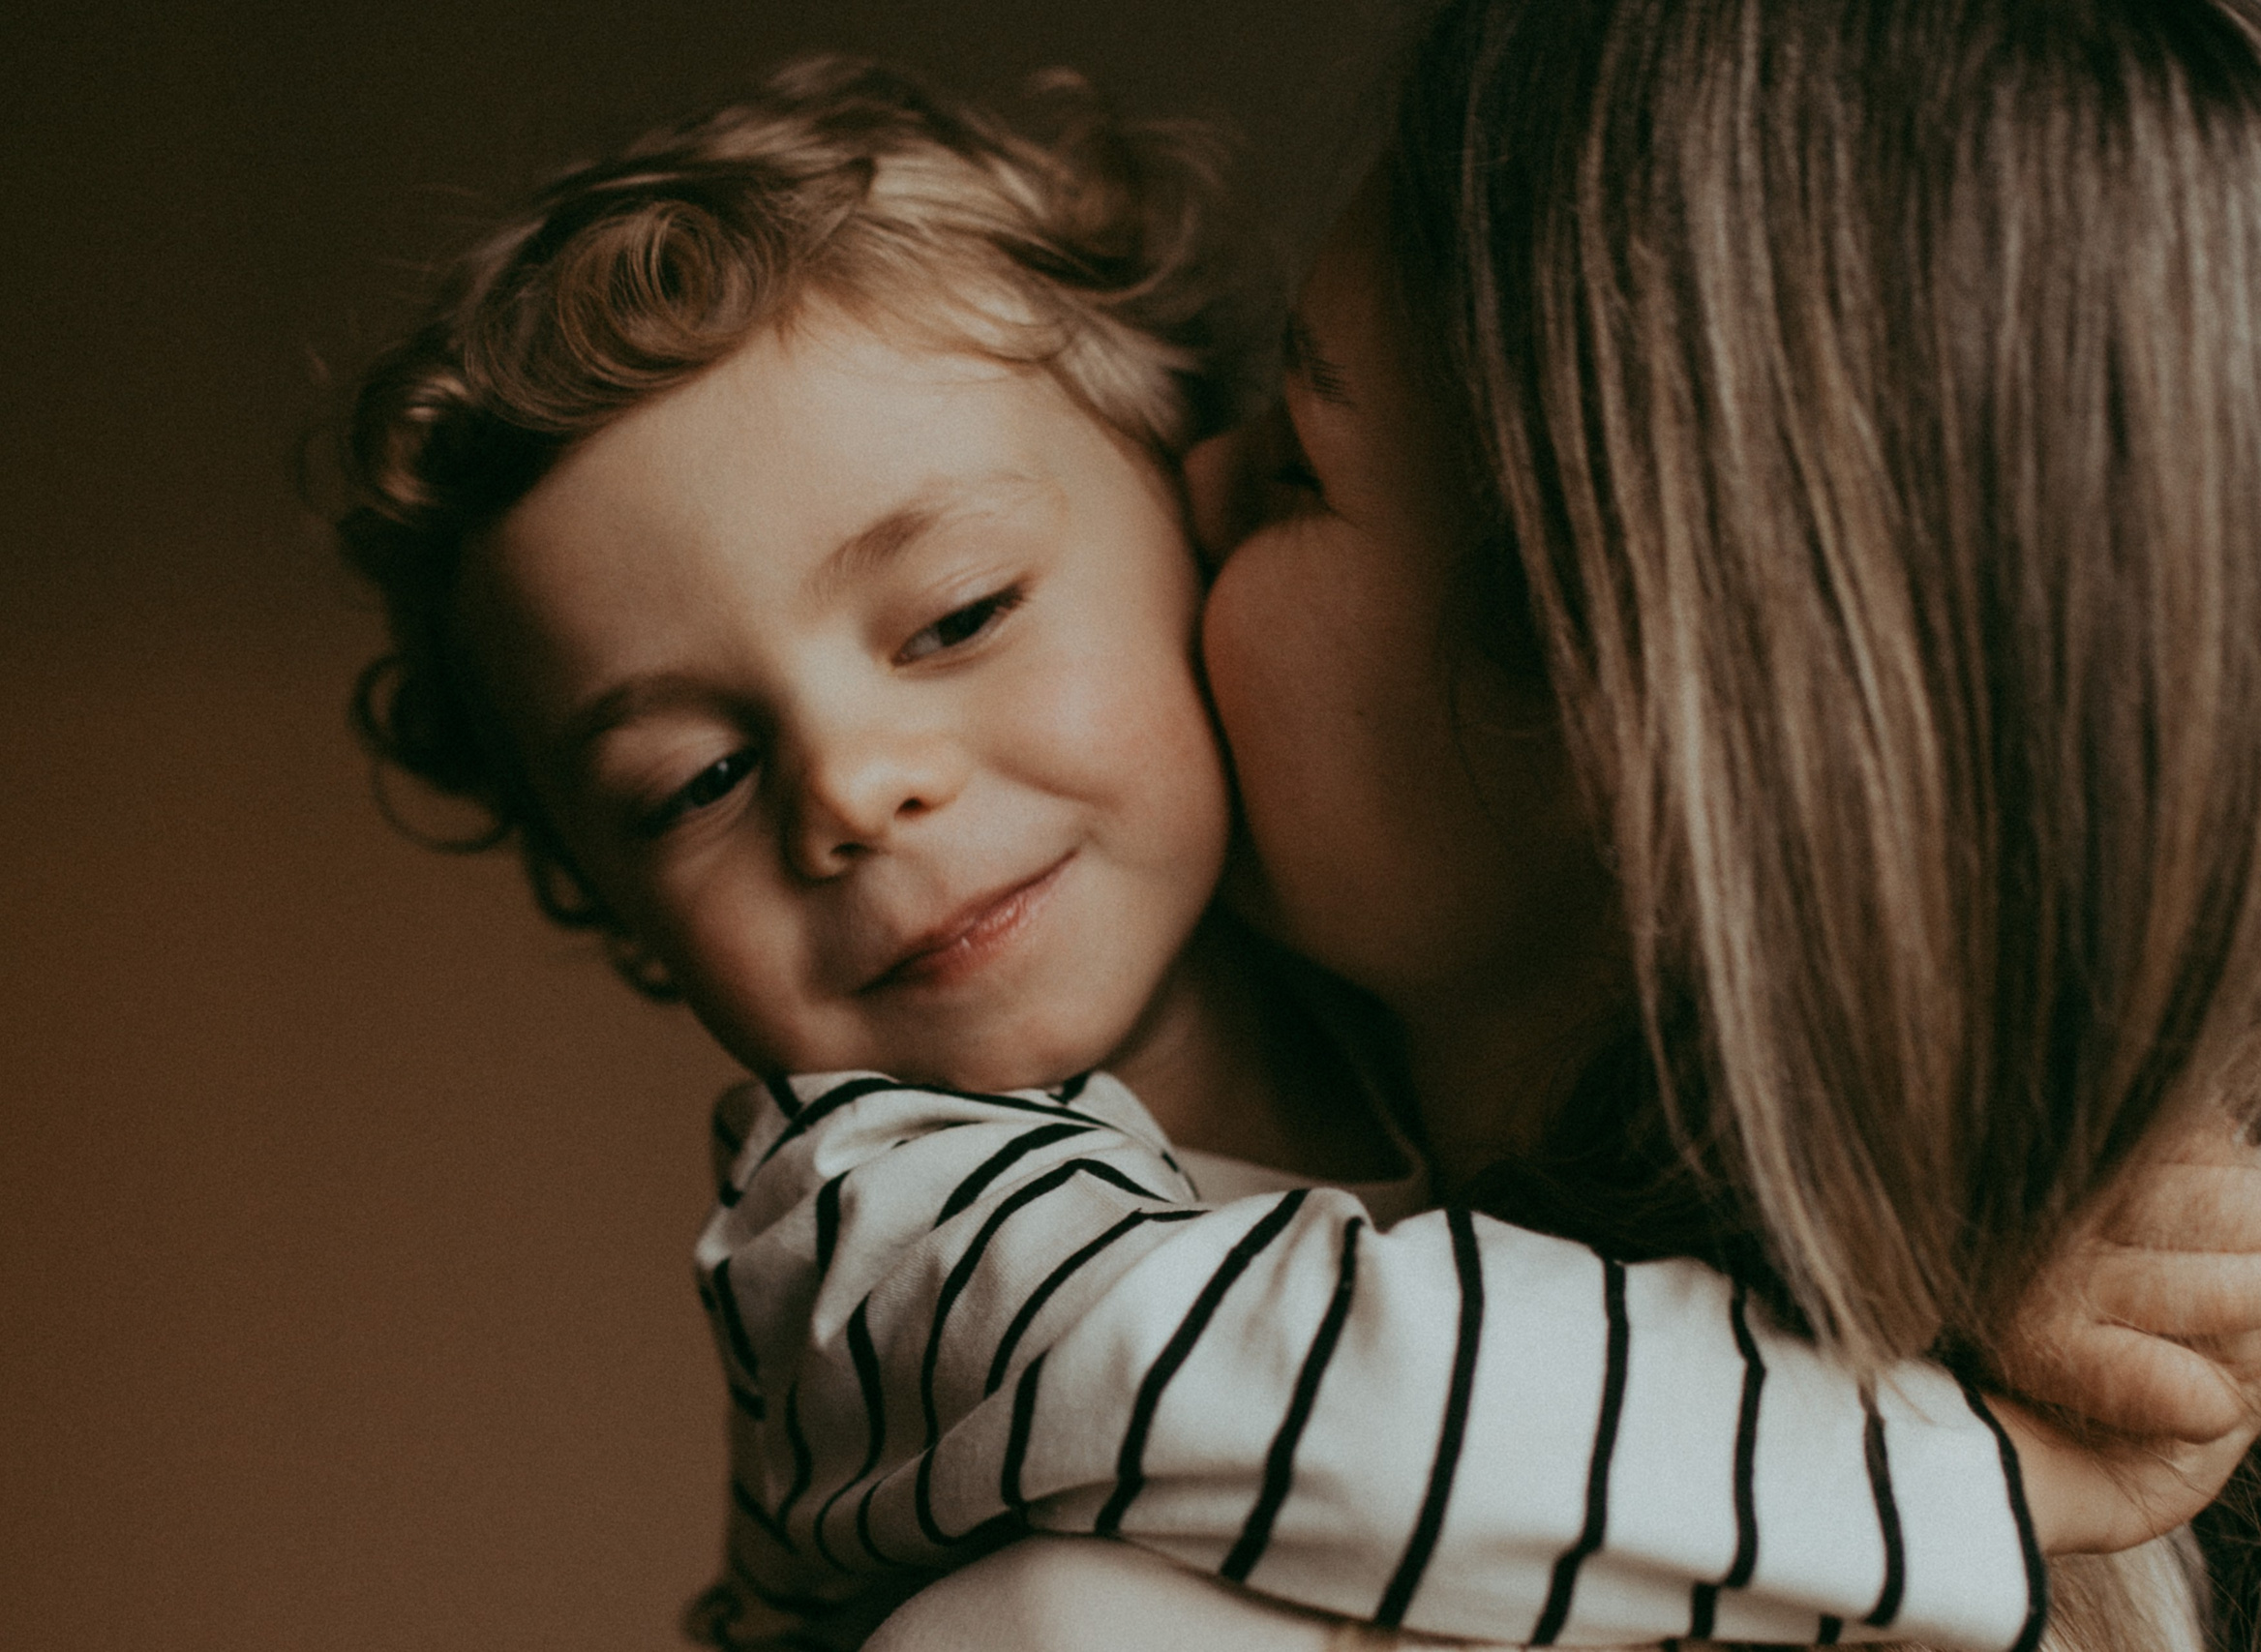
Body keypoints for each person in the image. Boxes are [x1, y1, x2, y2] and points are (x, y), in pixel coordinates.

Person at [330, 45, 2261, 1652]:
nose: (850, 787)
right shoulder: (881, 1223)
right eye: (684, 785)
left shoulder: (1392, 1088)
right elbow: (1313, 1382)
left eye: (958, 614)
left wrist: (2026, 1231)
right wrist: (1969, 1459)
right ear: (624, 921)